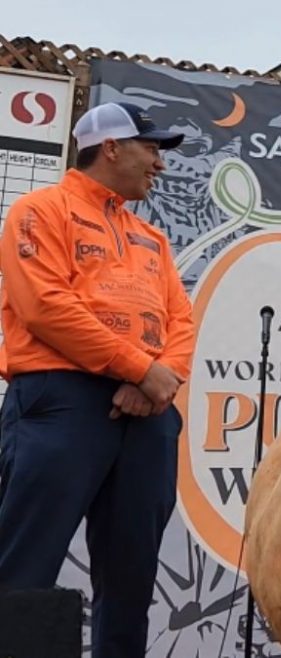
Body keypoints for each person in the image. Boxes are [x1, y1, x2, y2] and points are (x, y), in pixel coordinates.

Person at [0, 102, 195, 657]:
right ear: (111, 148)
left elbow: (180, 319)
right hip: (59, 401)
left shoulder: (151, 238)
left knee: (132, 575)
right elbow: (45, 307)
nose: (159, 163)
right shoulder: (40, 210)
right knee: (24, 566)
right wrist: (139, 369)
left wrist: (160, 380)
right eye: (151, 148)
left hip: (149, 411)